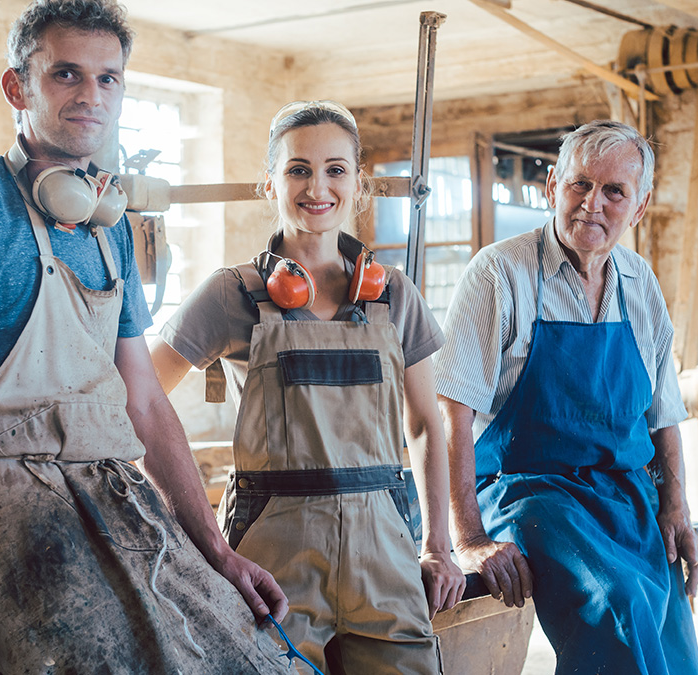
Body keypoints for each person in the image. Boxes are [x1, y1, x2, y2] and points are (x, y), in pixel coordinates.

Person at [0, 1, 289, 673]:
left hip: (114, 494)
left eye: (109, 79)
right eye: (66, 75)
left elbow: (147, 405)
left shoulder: (109, 230)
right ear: (18, 87)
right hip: (9, 505)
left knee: (249, 655)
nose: (90, 95)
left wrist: (218, 554)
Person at [149, 100, 466, 674]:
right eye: (298, 169)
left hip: (386, 553)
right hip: (273, 557)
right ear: (269, 183)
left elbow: (424, 423)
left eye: (335, 170)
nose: (317, 186)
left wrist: (437, 546)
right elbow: (137, 397)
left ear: (359, 183)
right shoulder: (233, 294)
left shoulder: (395, 295)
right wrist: (199, 533)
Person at [435, 120, 698, 675]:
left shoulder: (640, 282)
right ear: (552, 184)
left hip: (625, 498)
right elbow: (451, 415)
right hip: (527, 493)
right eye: (580, 185)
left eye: (614, 192)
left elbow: (664, 413)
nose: (592, 204)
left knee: (673, 629)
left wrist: (675, 507)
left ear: (641, 204)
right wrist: (468, 539)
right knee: (617, 602)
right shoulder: (500, 273)